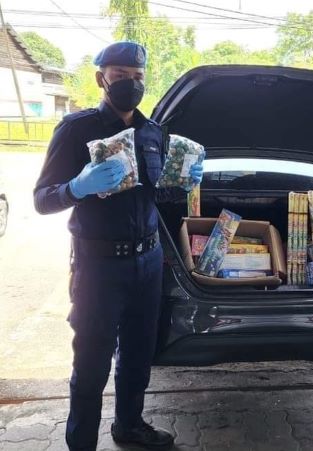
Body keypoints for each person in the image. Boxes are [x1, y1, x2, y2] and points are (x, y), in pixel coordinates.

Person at [34, 42, 203, 451]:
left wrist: (186, 183)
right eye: (121, 76)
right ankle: (81, 442)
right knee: (91, 362)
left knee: (138, 354)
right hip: (98, 267)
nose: (131, 83)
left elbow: (158, 196)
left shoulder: (153, 133)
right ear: (101, 78)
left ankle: (129, 425)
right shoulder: (76, 129)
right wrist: (78, 187)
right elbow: (42, 199)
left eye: (138, 77)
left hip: (149, 261)